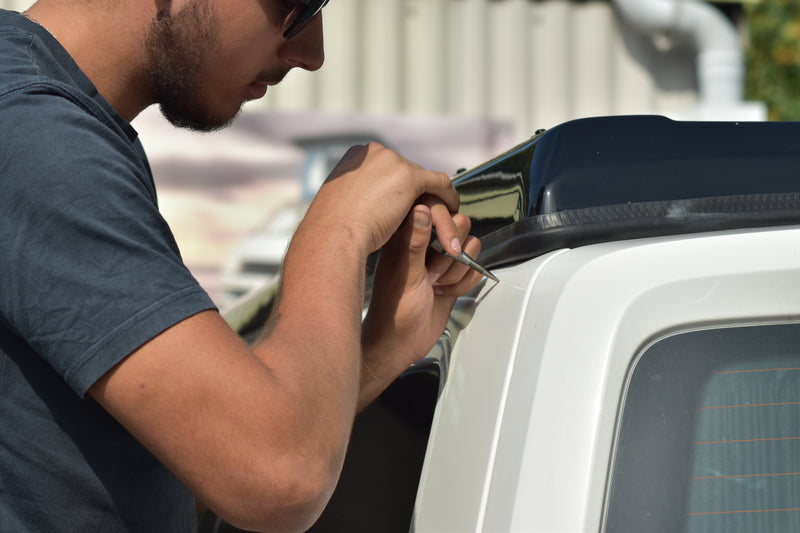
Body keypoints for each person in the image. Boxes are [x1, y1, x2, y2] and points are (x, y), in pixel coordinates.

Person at [0, 0, 484, 531]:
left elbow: (190, 467)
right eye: (299, 6)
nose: (311, 52)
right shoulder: (33, 139)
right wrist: (337, 232)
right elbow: (279, 477)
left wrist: (380, 349)